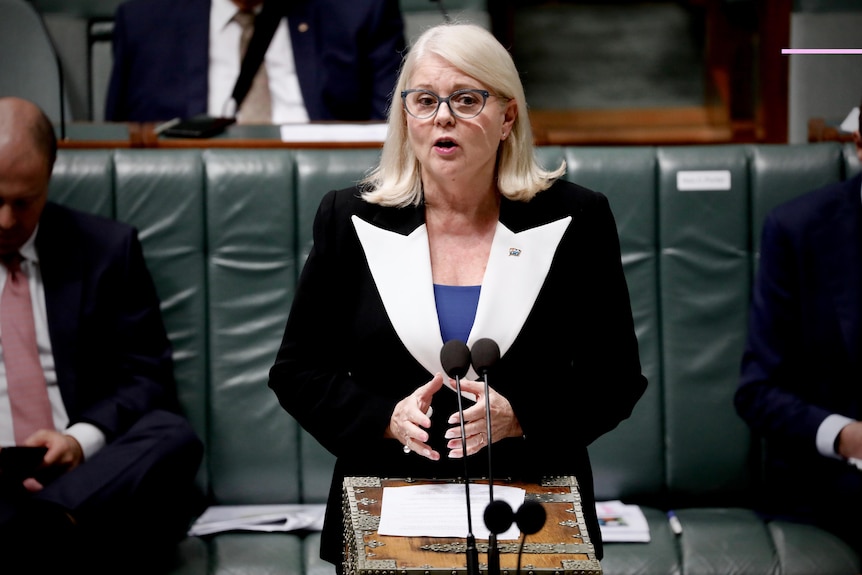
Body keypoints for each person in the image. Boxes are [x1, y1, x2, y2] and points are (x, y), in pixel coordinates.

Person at [268, 23, 647, 569]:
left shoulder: (576, 218)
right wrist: (385, 418)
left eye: (467, 99)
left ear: (507, 117)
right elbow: (298, 370)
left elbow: (615, 377)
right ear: (406, 116)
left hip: (532, 503)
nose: (443, 116)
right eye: (424, 100)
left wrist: (521, 416)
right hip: (387, 501)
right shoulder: (348, 219)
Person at [0, 97, 203, 572]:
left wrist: (78, 440)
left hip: (87, 471)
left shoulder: (105, 249)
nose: (6, 222)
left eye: (23, 202)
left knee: (172, 436)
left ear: (49, 177)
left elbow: (147, 380)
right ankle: (51, 533)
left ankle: (40, 528)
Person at [735, 106, 862, 557]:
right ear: (860, 144)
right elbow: (757, 392)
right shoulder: (800, 229)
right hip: (838, 489)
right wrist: (849, 437)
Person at [105, 0, 406, 124]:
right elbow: (120, 145)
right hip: (189, 199)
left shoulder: (359, 11)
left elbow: (391, 135)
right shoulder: (146, 22)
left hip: (325, 193)